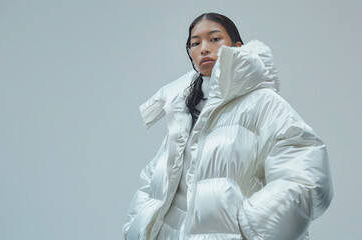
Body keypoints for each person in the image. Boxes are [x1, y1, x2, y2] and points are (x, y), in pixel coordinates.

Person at [123, 12, 333, 240]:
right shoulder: (184, 109)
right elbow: (154, 179)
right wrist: (138, 225)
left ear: (237, 46)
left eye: (214, 39)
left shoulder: (263, 103)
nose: (203, 48)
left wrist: (250, 228)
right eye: (195, 43)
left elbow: (307, 178)